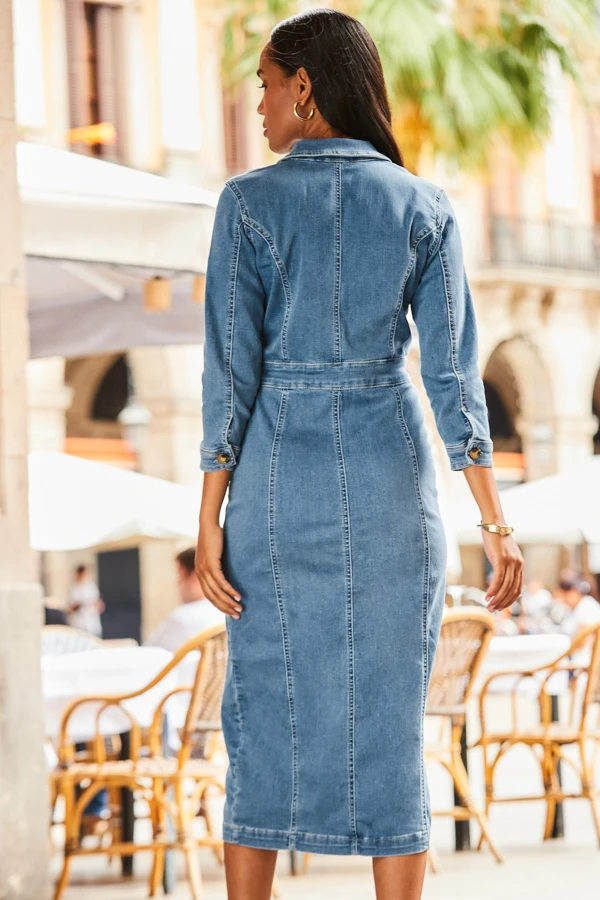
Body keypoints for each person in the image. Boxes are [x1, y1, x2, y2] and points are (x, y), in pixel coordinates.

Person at [195, 9, 523, 899]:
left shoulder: (247, 203)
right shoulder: (426, 206)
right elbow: (456, 383)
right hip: (392, 477)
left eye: (266, 85)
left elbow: (231, 378)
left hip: (273, 485)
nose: (258, 104)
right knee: (391, 723)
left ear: (304, 87)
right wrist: (497, 525)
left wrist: (207, 523)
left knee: (261, 712)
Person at [145, 547, 226, 653]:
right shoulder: (227, 615)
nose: (177, 583)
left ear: (196, 576)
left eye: (180, 575)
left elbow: (146, 655)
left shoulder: (183, 618)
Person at [67, 564, 104, 638]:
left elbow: (100, 605)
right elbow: (70, 609)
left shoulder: (92, 587)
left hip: (93, 626)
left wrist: (97, 605)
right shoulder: (73, 589)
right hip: (79, 626)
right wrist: (82, 604)